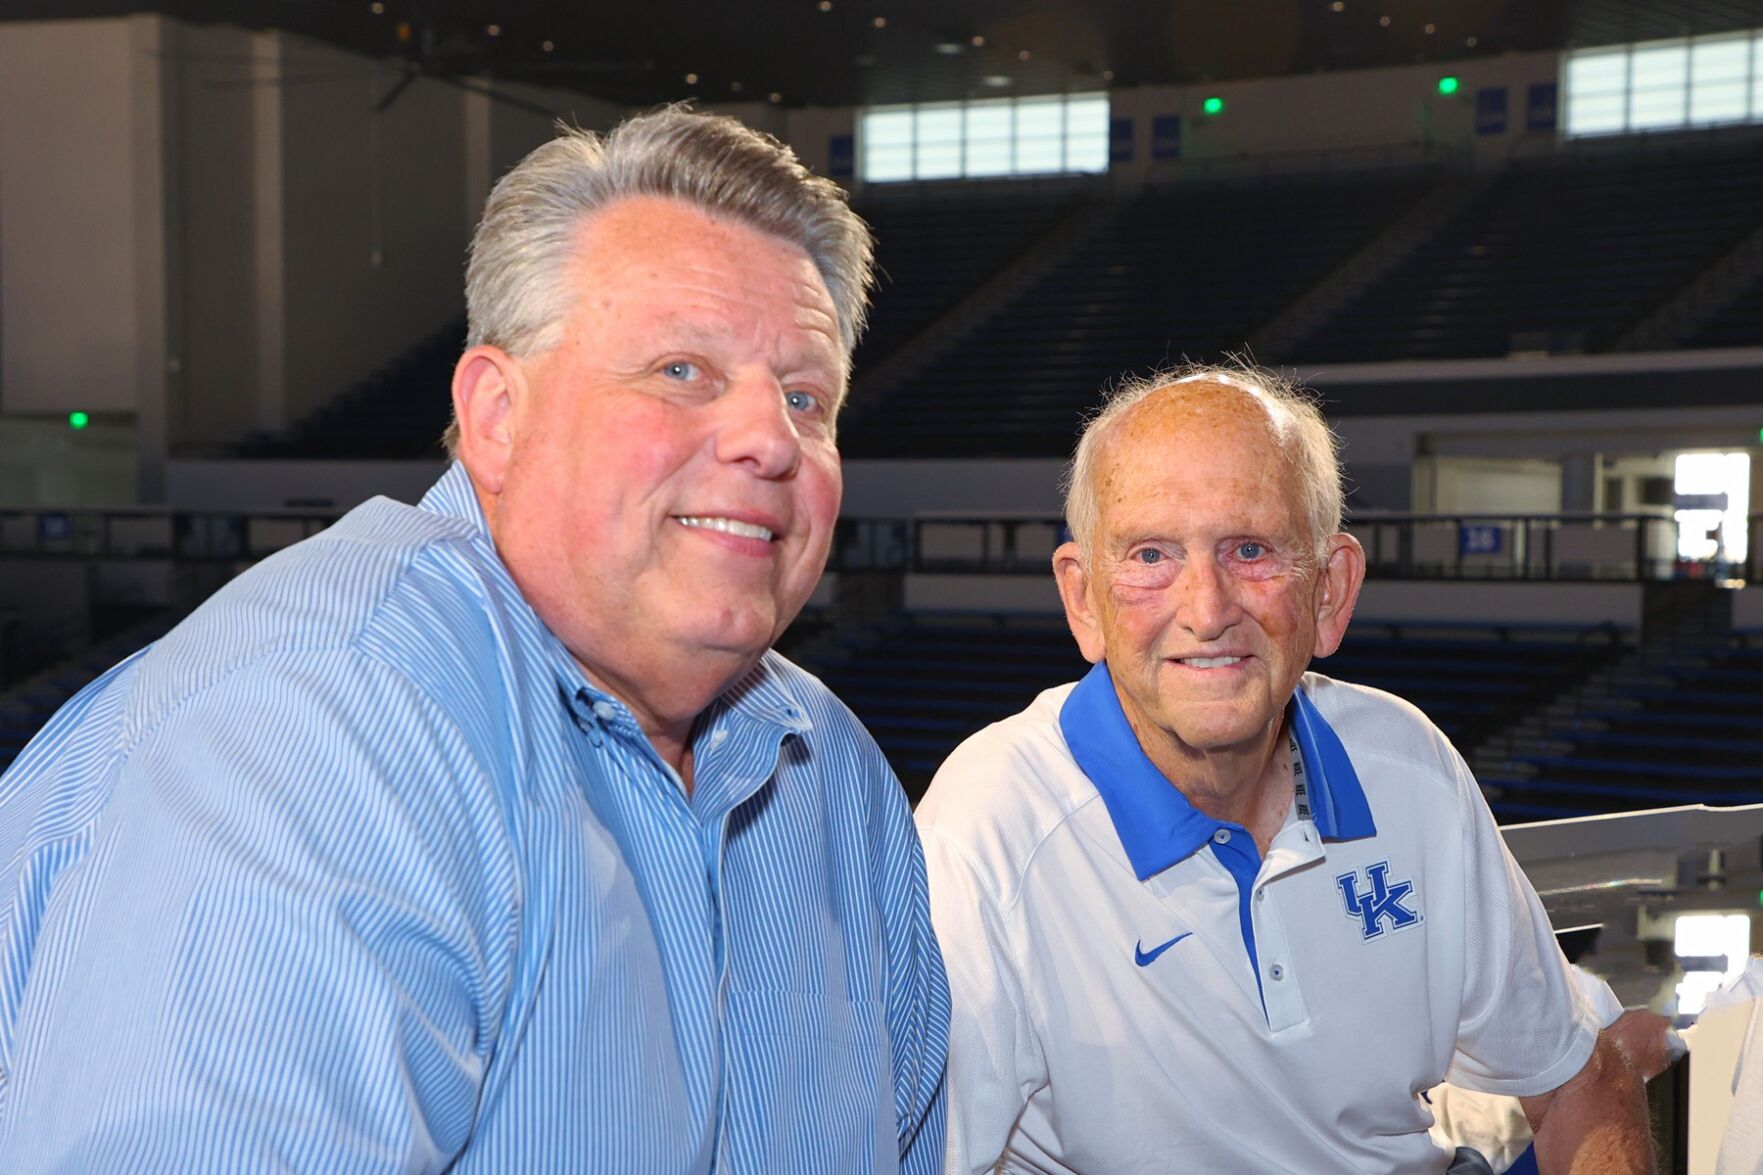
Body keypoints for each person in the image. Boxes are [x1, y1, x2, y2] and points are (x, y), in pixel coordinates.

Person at [0, 108, 947, 1170]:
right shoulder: (322, 722)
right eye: (680, 370)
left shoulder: (837, 776)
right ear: (496, 414)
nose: (770, 437)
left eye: (805, 396)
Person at [915, 365, 1652, 1173]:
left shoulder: (1406, 766)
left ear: (1329, 590)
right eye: (1151, 553)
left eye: (1251, 549)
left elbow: (1581, 1074)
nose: (1205, 607)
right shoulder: (989, 827)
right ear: (1083, 599)